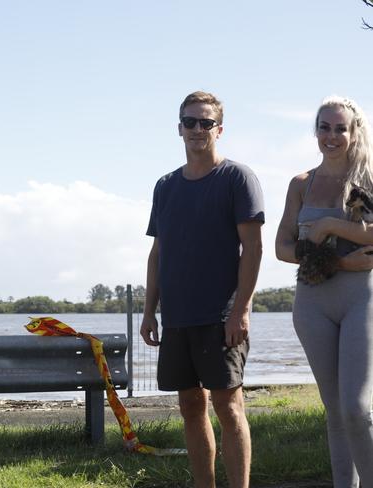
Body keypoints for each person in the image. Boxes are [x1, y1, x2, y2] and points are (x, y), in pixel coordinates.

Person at [140, 91, 264, 488]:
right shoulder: (165, 186)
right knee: (190, 405)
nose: (197, 129)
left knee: (229, 406)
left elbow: (254, 248)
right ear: (179, 128)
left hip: (221, 316)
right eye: (190, 122)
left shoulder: (237, 178)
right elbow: (158, 253)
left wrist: (240, 309)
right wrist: (149, 311)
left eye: (205, 123)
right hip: (177, 317)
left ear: (219, 129)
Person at [275, 95, 373, 488]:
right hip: (312, 303)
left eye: (340, 128)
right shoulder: (302, 184)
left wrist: (330, 228)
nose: (331, 136)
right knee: (333, 411)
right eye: (324, 127)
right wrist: (338, 261)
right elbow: (282, 248)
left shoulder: (365, 180)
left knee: (356, 408)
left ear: (354, 132)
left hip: (360, 301)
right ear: (316, 131)